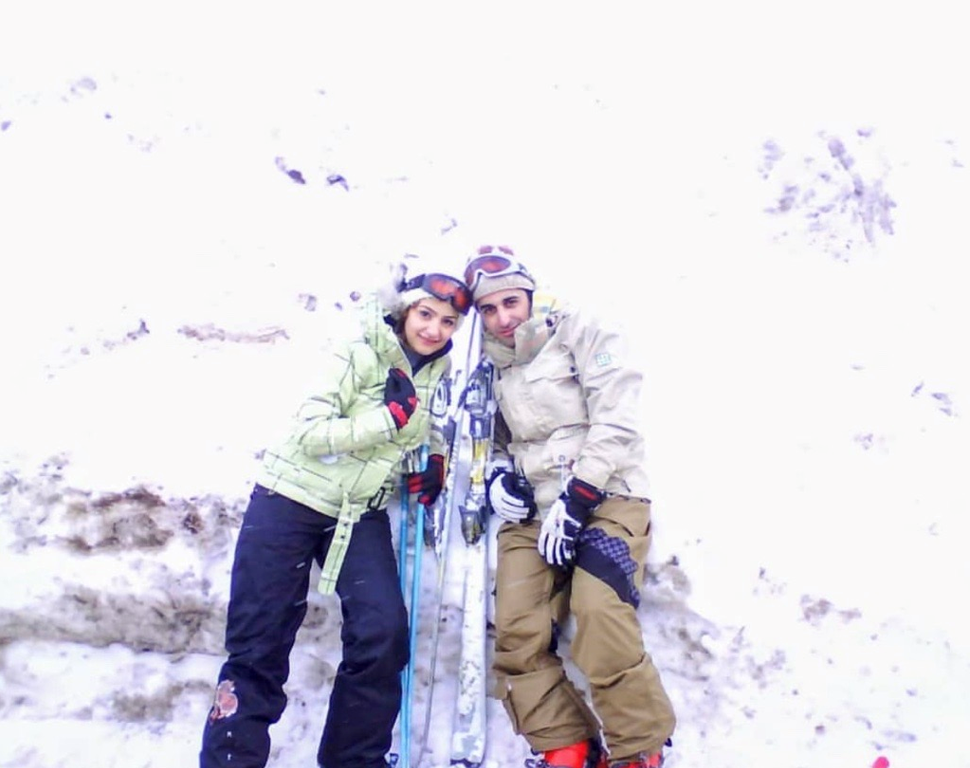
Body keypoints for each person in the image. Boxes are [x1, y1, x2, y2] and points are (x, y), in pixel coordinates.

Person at [199, 264, 472, 768]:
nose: (434, 330)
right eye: (426, 314)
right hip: (290, 500)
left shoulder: (435, 368)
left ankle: (353, 759)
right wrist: (385, 420)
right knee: (258, 643)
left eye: (448, 322)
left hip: (357, 512)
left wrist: (435, 459)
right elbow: (310, 432)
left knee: (383, 634)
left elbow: (424, 423)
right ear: (404, 309)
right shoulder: (356, 349)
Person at [463, 245, 676, 768]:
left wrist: (578, 500)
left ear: (531, 294)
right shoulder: (487, 365)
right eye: (488, 310)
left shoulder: (580, 330)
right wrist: (496, 475)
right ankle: (567, 745)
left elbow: (618, 419)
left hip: (608, 496)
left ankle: (638, 749)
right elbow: (485, 439)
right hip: (535, 512)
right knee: (516, 630)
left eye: (510, 302)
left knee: (599, 612)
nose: (502, 318)